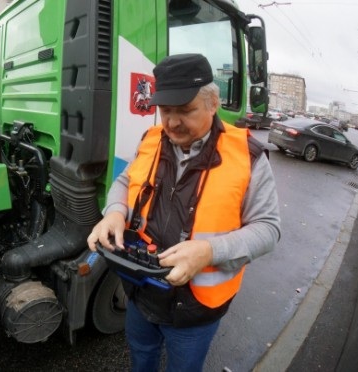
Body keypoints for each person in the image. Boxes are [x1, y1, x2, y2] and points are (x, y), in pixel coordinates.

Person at [87, 53, 281, 372]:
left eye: (186, 110)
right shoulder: (151, 139)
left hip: (196, 310)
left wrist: (208, 252)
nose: (172, 122)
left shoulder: (249, 156)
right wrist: (114, 212)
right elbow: (125, 180)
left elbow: (269, 228)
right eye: (165, 110)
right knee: (141, 356)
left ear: (212, 103)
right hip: (140, 291)